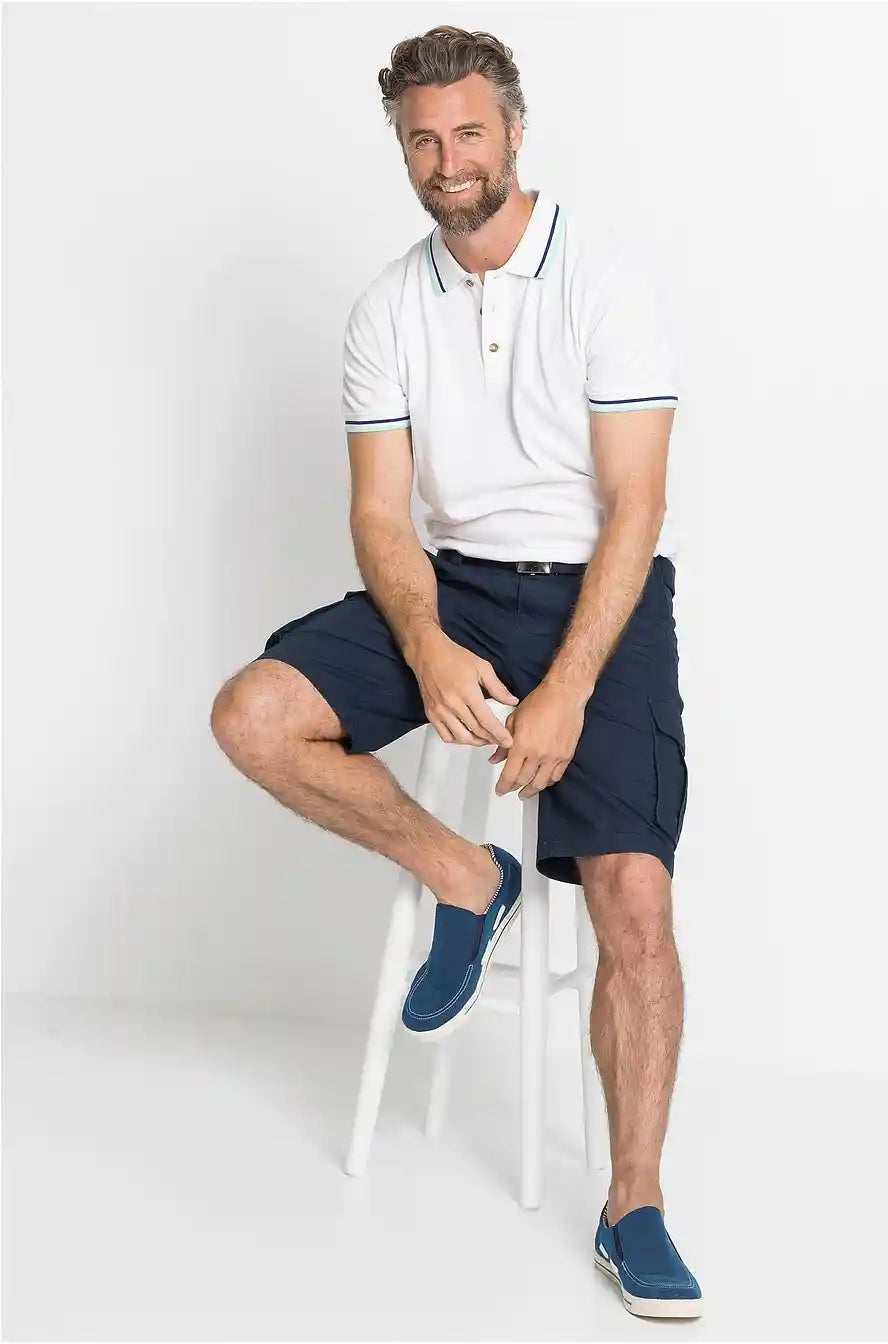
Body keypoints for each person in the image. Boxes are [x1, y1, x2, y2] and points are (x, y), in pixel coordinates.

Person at [210, 24, 701, 1321]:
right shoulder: (388, 307)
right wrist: (427, 644)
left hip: (600, 594)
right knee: (254, 715)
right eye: (423, 140)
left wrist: (569, 688)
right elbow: (381, 515)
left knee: (634, 901)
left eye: (469, 132)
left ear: (514, 131)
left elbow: (636, 507)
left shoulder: (605, 284)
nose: (449, 161)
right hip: (458, 586)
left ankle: (635, 1204)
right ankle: (467, 878)